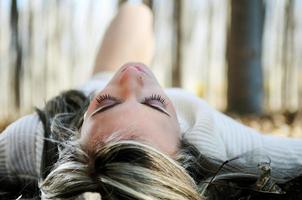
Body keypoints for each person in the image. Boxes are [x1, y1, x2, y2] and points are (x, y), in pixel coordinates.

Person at [1, 3, 302, 200]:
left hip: (94, 83)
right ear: (185, 146)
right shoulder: (213, 140)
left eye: (106, 104)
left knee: (135, 11)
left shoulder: (35, 138)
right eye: (155, 103)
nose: (131, 76)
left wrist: (106, 90)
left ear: (75, 138)